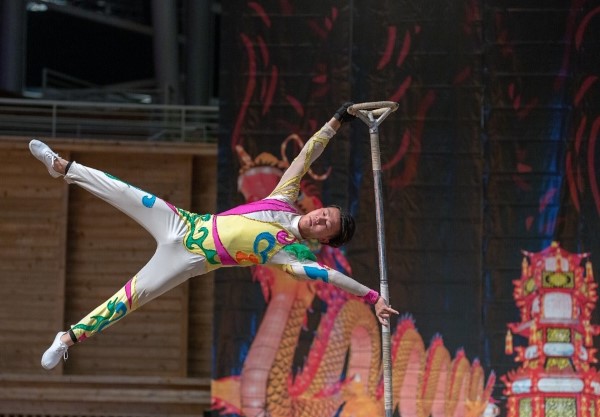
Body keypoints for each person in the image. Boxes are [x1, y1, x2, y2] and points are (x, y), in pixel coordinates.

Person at [30, 103, 399, 370]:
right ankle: (64, 168)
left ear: (325, 239)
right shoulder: (284, 198)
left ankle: (68, 338)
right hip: (186, 225)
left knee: (130, 298)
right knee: (128, 193)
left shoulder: (293, 257)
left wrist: (371, 296)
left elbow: (330, 276)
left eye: (327, 225)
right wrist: (336, 120)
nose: (320, 218)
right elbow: (306, 155)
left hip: (192, 261)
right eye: (325, 213)